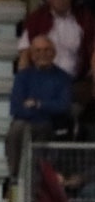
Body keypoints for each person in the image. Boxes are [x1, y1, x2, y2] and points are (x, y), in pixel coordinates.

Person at [6, 36, 71, 176]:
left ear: (53, 53)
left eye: (47, 50)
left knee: (37, 127)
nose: (42, 54)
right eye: (38, 50)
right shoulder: (23, 77)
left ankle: (35, 177)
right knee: (18, 128)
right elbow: (16, 107)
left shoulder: (63, 78)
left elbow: (63, 106)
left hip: (50, 124)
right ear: (32, 54)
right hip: (28, 122)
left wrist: (37, 104)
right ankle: (16, 176)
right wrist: (43, 108)